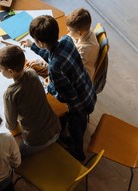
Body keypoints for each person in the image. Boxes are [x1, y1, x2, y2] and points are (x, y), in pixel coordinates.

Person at [22, 15, 96, 161]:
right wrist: (33, 46)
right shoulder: (66, 40)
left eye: (37, 42)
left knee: (76, 130)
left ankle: (77, 153)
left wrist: (49, 87)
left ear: (40, 42)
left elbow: (64, 97)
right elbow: (52, 54)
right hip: (88, 91)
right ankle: (71, 135)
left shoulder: (55, 68)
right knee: (76, 125)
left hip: (79, 105)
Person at [0, 45, 61, 158]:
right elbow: (22, 70)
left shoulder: (10, 94)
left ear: (10, 71)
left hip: (36, 141)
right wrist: (1, 67)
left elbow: (11, 126)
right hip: (56, 129)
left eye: (0, 68)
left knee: (13, 155)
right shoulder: (32, 73)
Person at [66, 8, 99, 80]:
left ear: (80, 32)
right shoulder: (86, 30)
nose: (68, 31)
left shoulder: (85, 48)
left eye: (70, 30)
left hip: (81, 78)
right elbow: (71, 37)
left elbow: (73, 69)